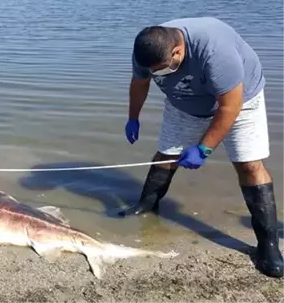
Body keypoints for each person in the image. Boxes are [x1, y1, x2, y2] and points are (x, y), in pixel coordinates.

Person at [121, 16, 283, 278]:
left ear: (177, 51)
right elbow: (139, 83)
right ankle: (147, 205)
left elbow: (230, 107)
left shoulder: (215, 51)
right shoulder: (147, 51)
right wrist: (132, 117)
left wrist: (204, 148)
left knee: (249, 164)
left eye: (161, 68)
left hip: (240, 101)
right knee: (167, 154)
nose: (156, 74)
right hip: (184, 102)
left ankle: (268, 245)